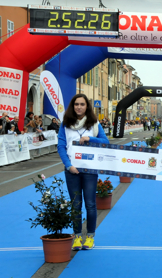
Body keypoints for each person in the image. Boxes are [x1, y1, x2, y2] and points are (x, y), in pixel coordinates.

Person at [57, 94, 109, 251]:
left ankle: (90, 237)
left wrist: (90, 139)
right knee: (76, 205)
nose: (79, 107)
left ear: (87, 106)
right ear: (72, 106)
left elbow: (105, 142)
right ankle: (77, 237)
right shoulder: (65, 124)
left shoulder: (94, 124)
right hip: (72, 170)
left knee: (91, 204)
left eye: (82, 104)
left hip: (89, 170)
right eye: (76, 104)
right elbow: (61, 146)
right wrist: (68, 165)